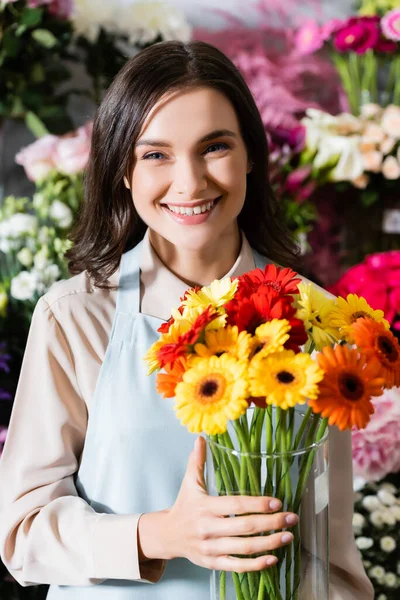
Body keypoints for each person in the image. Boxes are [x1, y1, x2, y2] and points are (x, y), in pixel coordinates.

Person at [0, 40, 373, 599]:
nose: (191, 181)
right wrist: (160, 535)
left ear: (251, 154)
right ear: (122, 172)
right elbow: (22, 534)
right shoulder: (75, 316)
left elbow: (330, 552)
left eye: (214, 147)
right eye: (155, 155)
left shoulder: (314, 319)